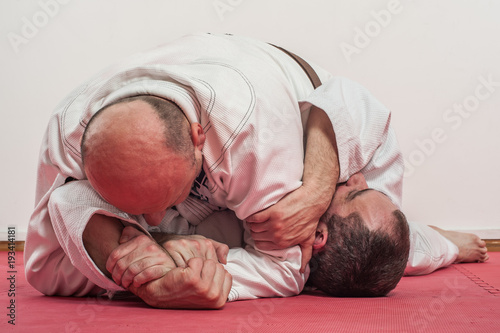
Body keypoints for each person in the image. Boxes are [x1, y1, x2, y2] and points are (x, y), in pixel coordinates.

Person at [24, 33, 487, 308]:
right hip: (254, 90)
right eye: (140, 210)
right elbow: (45, 263)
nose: (358, 179)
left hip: (252, 122)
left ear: (198, 135)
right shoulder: (65, 133)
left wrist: (166, 275)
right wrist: (318, 188)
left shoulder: (252, 133)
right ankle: (438, 242)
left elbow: (285, 271)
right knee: (56, 265)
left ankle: (438, 242)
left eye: (161, 203)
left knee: (392, 252)